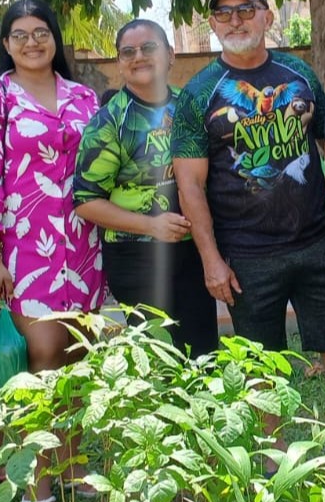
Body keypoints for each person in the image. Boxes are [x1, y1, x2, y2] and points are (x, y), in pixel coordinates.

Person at [172, 0, 325, 404]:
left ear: (267, 16)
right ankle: (274, 467)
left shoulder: (299, 73)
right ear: (213, 24)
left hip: (317, 241)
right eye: (224, 12)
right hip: (247, 254)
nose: (235, 20)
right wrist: (211, 260)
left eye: (246, 9)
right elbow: (190, 186)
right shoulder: (199, 94)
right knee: (261, 368)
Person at [0, 0, 103, 502]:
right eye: (19, 34)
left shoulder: (84, 96)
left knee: (77, 358)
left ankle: (71, 466)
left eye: (41, 32)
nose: (31, 42)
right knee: (42, 355)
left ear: (55, 39)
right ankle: (37, 480)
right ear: (5, 44)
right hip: (26, 247)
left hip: (85, 244)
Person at [73, 20, 219, 355]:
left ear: (170, 55)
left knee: (203, 352)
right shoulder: (109, 122)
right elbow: (85, 200)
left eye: (148, 47)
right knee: (158, 355)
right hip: (136, 254)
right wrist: (151, 225)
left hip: (194, 249)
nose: (138, 56)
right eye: (128, 52)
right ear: (119, 64)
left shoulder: (191, 107)